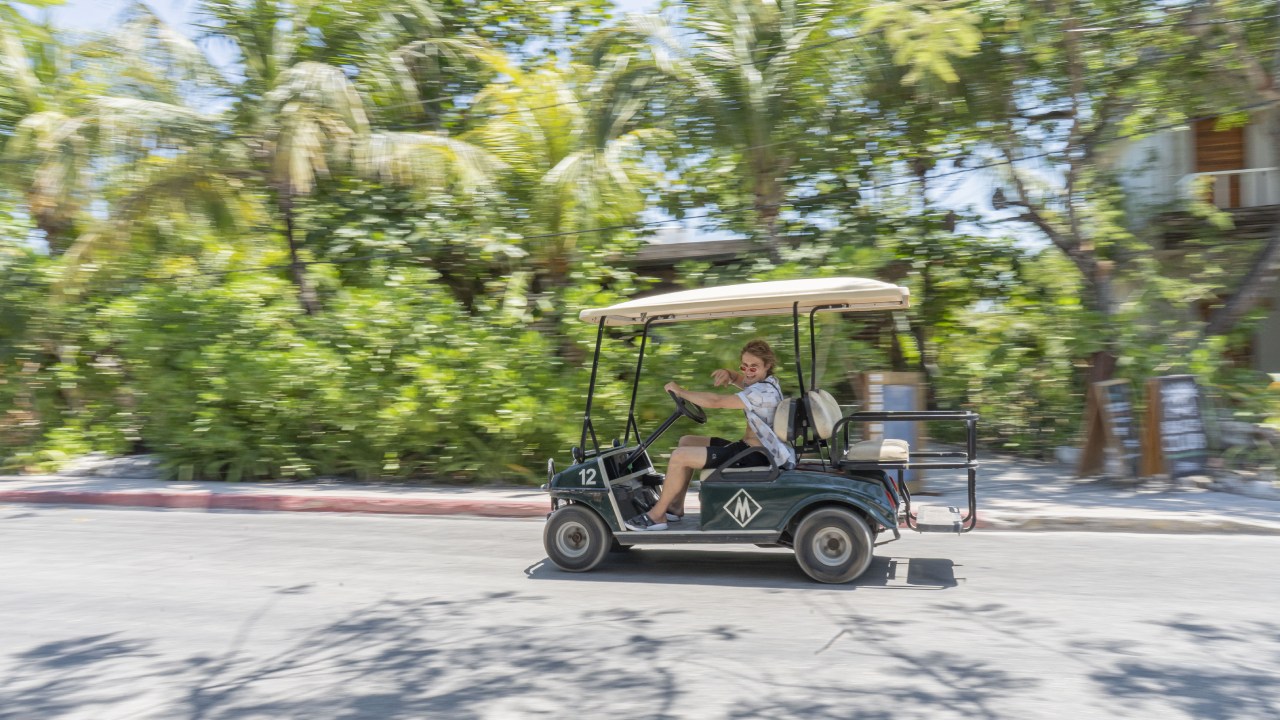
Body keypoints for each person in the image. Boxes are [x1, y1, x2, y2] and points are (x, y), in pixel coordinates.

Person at [624, 339, 796, 531]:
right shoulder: (768, 383)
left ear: (768, 366)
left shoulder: (762, 393)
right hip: (750, 448)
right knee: (686, 441)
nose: (747, 372)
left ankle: (657, 516)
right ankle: (676, 506)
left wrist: (681, 391)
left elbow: (716, 401)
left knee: (679, 457)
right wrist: (730, 374)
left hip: (755, 455)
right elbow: (743, 381)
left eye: (753, 367)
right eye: (744, 366)